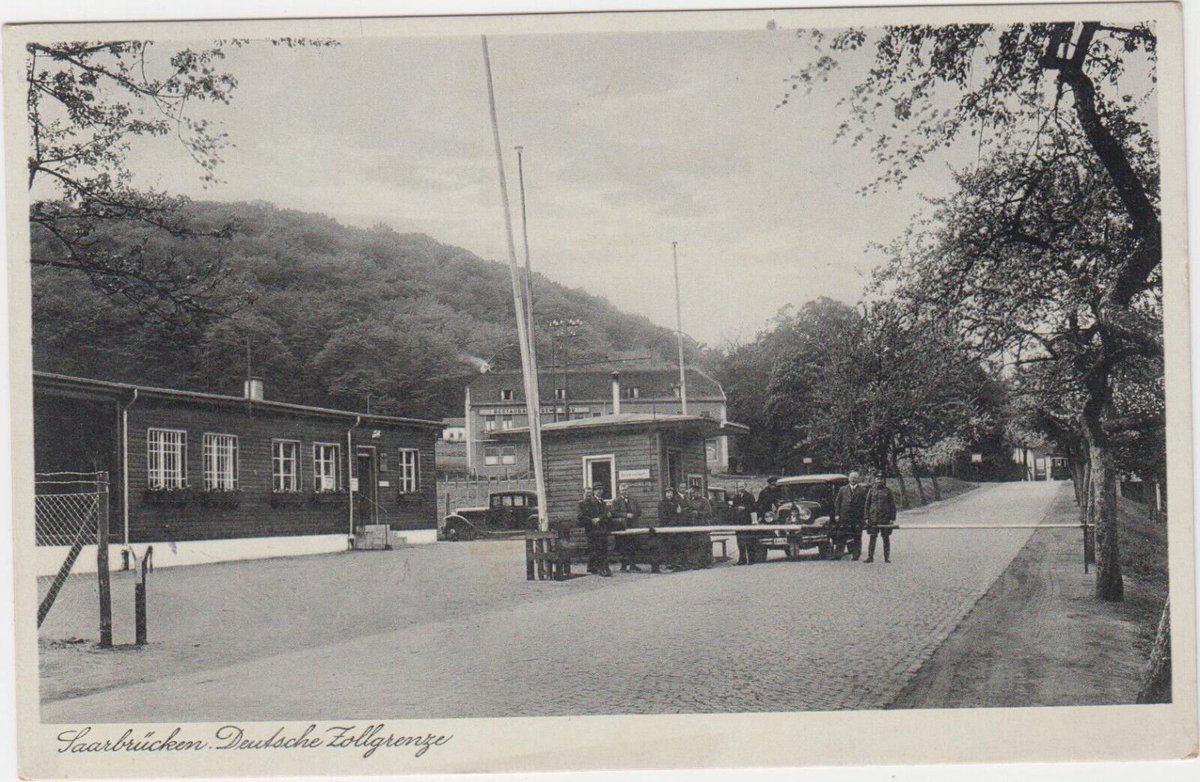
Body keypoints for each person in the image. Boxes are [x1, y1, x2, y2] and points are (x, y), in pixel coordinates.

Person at [577, 483, 613, 577]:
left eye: (600, 489)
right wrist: (592, 520)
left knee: (602, 548)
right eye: (597, 490)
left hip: (601, 528)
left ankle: (601, 567)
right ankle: (599, 568)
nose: (599, 491)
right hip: (592, 529)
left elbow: (605, 514)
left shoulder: (601, 502)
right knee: (596, 548)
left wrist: (602, 518)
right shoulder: (584, 503)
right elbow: (581, 516)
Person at [833, 470, 869, 560]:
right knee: (841, 536)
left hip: (857, 518)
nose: (853, 479)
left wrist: (865, 517)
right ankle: (838, 554)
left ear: (858, 479)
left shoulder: (863, 490)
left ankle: (856, 555)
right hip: (844, 517)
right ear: (848, 479)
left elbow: (866, 504)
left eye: (855, 478)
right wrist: (837, 514)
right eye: (851, 478)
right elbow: (837, 503)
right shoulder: (842, 489)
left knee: (857, 536)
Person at [864, 473, 897, 563]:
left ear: (883, 480)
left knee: (885, 538)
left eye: (881, 479)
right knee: (872, 537)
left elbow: (892, 505)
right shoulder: (871, 491)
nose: (879, 480)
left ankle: (887, 557)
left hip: (885, 518)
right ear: (875, 480)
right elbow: (867, 504)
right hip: (873, 518)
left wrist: (892, 518)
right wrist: (866, 517)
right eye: (878, 479)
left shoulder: (888, 491)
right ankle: (870, 557)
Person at [611, 484, 643, 572]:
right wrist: (625, 515)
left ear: (628, 490)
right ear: (619, 491)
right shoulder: (616, 501)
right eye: (622, 490)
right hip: (622, 526)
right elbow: (613, 513)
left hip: (633, 526)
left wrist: (634, 514)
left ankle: (633, 565)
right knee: (623, 546)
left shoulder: (633, 500)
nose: (624, 492)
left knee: (633, 545)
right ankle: (624, 566)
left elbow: (639, 512)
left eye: (625, 490)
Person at [655, 487, 685, 572]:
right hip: (665, 528)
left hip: (674, 528)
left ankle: (674, 563)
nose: (669, 494)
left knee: (675, 545)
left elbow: (680, 515)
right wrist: (676, 514)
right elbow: (663, 517)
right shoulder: (661, 503)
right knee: (666, 545)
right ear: (665, 494)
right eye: (668, 493)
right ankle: (667, 563)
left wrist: (678, 514)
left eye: (671, 493)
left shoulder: (676, 503)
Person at [731, 481, 757, 565]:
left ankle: (751, 559)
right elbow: (733, 508)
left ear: (745, 487)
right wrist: (735, 509)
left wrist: (745, 508)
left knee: (749, 541)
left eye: (742, 486)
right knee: (740, 541)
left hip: (747, 522)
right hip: (738, 522)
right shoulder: (736, 497)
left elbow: (753, 508)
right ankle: (742, 559)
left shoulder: (750, 497)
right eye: (739, 487)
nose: (740, 488)